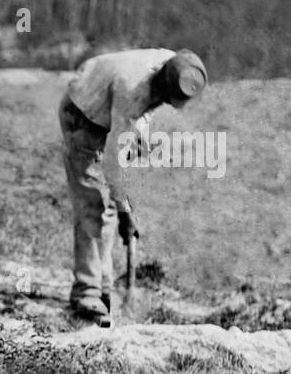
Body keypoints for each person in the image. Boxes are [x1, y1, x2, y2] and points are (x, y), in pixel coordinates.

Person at [58, 48, 208, 326]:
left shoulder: (176, 65)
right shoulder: (132, 91)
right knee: (93, 202)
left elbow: (138, 122)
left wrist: (138, 140)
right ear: (162, 84)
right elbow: (113, 164)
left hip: (109, 110)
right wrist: (126, 210)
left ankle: (103, 288)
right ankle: (86, 292)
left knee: (109, 210)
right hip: (82, 112)